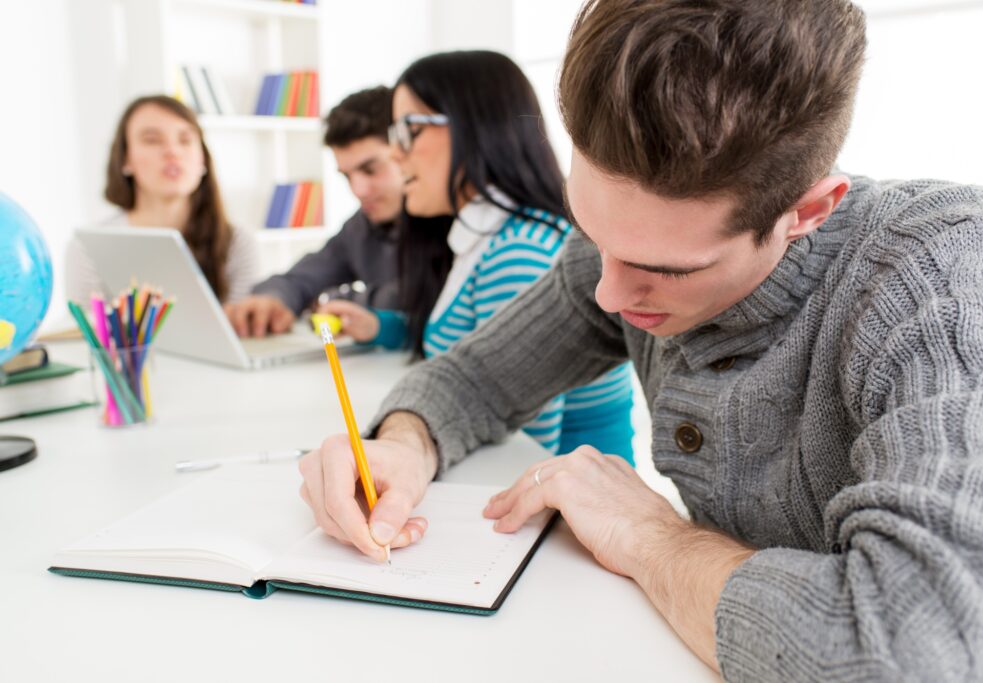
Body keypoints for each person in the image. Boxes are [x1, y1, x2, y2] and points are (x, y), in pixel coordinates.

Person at [298, 1, 983, 680]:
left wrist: (654, 538)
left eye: (663, 268)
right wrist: (401, 441)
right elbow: (472, 379)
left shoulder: (948, 270)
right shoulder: (615, 257)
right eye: (592, 230)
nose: (608, 292)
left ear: (807, 211)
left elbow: (931, 647)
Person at [318, 51, 635, 461]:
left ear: (475, 125)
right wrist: (381, 327)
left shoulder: (519, 253)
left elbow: (520, 448)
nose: (396, 153)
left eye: (407, 131)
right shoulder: (482, 235)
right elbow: (471, 341)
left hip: (565, 514)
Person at [224, 86, 405, 338]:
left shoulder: (459, 227)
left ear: (407, 150)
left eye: (371, 170)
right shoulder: (361, 227)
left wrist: (354, 300)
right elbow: (301, 278)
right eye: (346, 176)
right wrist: (272, 299)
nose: (358, 190)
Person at [66, 95, 258, 305]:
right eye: (152, 140)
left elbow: (245, 329)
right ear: (125, 159)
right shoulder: (88, 248)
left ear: (202, 159)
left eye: (185, 140)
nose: (173, 151)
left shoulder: (237, 242)